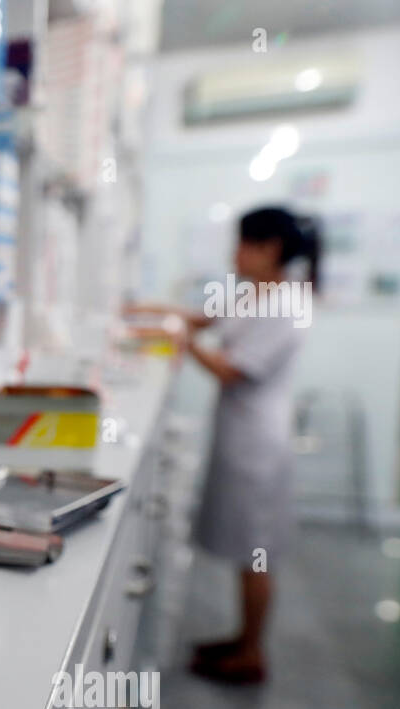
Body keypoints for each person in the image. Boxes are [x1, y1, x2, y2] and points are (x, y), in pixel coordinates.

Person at [128, 207, 320, 683]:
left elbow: (230, 370)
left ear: (269, 248)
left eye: (241, 243)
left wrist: (179, 340)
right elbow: (202, 319)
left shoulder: (288, 304)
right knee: (244, 547)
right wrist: (147, 312)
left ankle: (252, 652)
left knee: (256, 551)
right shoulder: (258, 293)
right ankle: (241, 638)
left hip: (258, 442)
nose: (233, 253)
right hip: (238, 433)